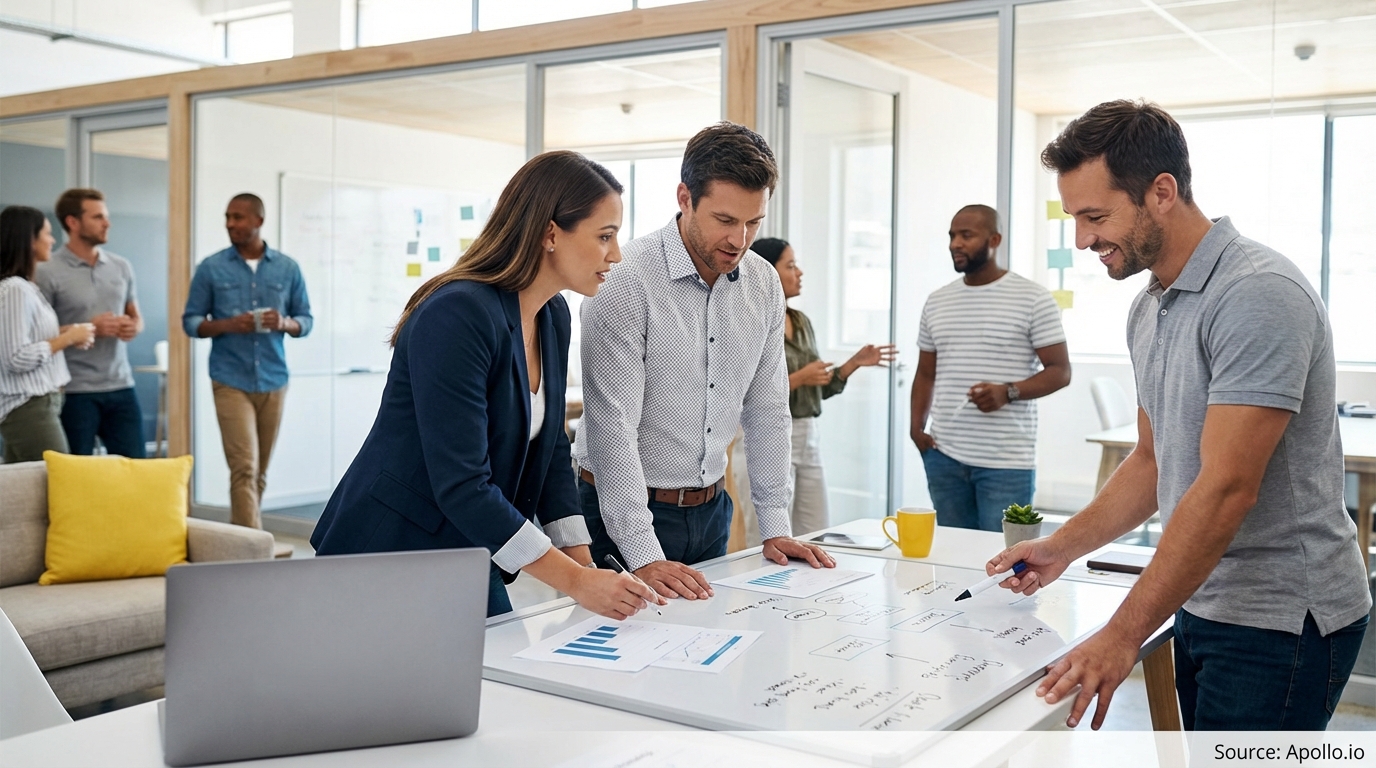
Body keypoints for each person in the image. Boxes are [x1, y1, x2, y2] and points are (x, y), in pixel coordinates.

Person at [989, 99, 1370, 731]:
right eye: (1075, 218)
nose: (1082, 239)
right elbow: (1152, 460)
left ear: (1162, 192)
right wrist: (1062, 546)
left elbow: (1226, 488)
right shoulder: (1151, 305)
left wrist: (1122, 633)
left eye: (1095, 216)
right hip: (1200, 593)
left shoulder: (1256, 292)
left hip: (1282, 618)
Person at [311, 151, 658, 620]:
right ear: (550, 234)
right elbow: (463, 484)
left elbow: (551, 450)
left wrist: (587, 569)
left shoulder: (553, 315)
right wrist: (575, 582)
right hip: (388, 554)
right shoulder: (458, 314)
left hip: (471, 547)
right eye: (604, 236)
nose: (615, 254)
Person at [575, 122, 836, 603]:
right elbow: (613, 427)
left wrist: (775, 527)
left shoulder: (763, 283)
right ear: (685, 198)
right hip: (619, 516)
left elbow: (768, 411)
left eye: (753, 222)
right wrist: (643, 552)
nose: (740, 239)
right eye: (725, 219)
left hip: (712, 511)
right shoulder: (625, 280)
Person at [909, 204, 1071, 531]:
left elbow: (1060, 371)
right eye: (952, 236)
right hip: (944, 455)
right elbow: (926, 373)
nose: (955, 243)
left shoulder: (1033, 298)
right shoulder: (937, 301)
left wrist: (1008, 392)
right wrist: (916, 429)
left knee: (1002, 556)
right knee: (953, 553)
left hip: (1006, 462)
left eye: (966, 235)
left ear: (994, 240)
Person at [747, 237, 898, 536]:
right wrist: (800, 377)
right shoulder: (749, 320)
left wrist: (853, 363)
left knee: (815, 529)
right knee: (767, 533)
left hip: (807, 434)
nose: (799, 272)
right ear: (767, 272)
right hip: (766, 432)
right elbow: (744, 393)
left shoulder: (801, 321)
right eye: (791, 266)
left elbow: (820, 388)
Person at [182, 194, 312, 529]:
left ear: (258, 221)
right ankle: (253, 549)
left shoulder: (288, 268)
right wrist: (228, 324)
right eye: (227, 217)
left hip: (273, 379)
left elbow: (306, 321)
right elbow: (191, 322)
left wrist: (284, 323)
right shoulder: (211, 268)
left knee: (258, 472)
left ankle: (240, 538)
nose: (230, 224)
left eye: (238, 217)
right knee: (244, 467)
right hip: (230, 379)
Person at [35, 188, 145, 457]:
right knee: (75, 473)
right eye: (98, 217)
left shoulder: (122, 266)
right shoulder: (46, 271)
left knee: (137, 469)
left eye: (105, 216)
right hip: (73, 391)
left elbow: (136, 316)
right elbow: (36, 335)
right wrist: (91, 328)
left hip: (121, 385)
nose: (107, 223)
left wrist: (133, 327)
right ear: (73, 222)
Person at [0, 206, 95, 462]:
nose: (53, 240)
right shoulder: (15, 290)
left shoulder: (25, 287)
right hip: (28, 406)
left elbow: (26, 337)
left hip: (37, 405)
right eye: (47, 233)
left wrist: (68, 332)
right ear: (29, 240)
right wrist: (68, 339)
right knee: (58, 481)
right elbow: (15, 358)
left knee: (23, 485)